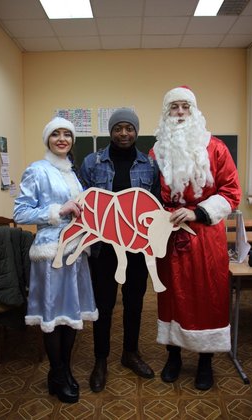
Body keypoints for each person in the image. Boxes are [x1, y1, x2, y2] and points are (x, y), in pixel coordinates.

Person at [149, 86, 242, 390]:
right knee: (171, 296)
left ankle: (205, 361)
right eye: (173, 107)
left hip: (205, 237)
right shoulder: (156, 152)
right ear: (166, 113)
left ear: (194, 111)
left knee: (207, 296)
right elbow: (148, 195)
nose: (179, 113)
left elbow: (231, 192)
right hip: (169, 235)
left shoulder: (216, 148)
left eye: (185, 107)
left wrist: (196, 212)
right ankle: (173, 356)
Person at [13, 116, 98, 404]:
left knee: (70, 316)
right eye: (56, 134)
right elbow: (20, 213)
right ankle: (59, 373)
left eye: (67, 134)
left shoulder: (73, 173)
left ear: (72, 140)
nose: (62, 139)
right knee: (53, 317)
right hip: (50, 255)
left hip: (75, 252)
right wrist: (58, 211)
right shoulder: (37, 170)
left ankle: (62, 371)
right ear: (47, 139)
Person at [79, 108, 160, 392]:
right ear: (110, 131)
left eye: (129, 128)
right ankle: (100, 359)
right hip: (103, 249)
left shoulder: (149, 165)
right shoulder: (92, 162)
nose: (123, 133)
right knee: (104, 305)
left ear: (136, 132)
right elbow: (83, 203)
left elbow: (156, 206)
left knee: (134, 302)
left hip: (136, 249)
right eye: (118, 128)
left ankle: (130, 353)